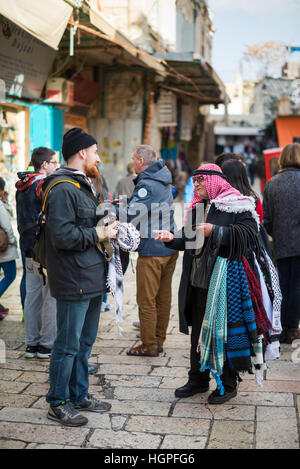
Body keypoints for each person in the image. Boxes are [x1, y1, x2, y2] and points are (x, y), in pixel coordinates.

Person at [154, 163, 262, 405]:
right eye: (196, 181)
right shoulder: (197, 208)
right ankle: (198, 379)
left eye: (201, 181)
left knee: (222, 335)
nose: (197, 185)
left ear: (214, 181)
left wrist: (215, 231)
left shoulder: (237, 204)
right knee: (198, 335)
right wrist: (172, 239)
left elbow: (248, 234)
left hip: (223, 282)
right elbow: (188, 238)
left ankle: (228, 383)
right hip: (197, 281)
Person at [44, 127, 117, 427]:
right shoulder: (62, 188)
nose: (99, 157)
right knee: (67, 344)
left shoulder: (85, 184)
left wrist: (110, 218)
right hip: (73, 278)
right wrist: (99, 232)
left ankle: (79, 394)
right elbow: (62, 235)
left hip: (91, 277)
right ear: (82, 153)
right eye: (96, 151)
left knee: (85, 343)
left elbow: (89, 218)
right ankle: (58, 402)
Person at [121, 145, 178, 357]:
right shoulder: (163, 179)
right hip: (169, 247)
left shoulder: (146, 183)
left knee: (147, 300)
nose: (132, 162)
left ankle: (148, 344)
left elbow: (132, 214)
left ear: (141, 161)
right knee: (163, 299)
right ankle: (158, 339)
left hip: (152, 249)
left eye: (133, 159)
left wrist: (111, 208)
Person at [16, 147, 58, 359]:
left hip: (28, 248)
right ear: (45, 165)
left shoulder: (22, 185)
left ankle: (31, 344)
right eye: (54, 162)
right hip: (44, 249)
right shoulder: (44, 185)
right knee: (50, 296)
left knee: (32, 297)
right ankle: (47, 345)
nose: (57, 166)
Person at [263, 143, 300, 344]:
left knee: (281, 286)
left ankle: (279, 325)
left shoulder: (272, 183)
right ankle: (292, 327)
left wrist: (275, 234)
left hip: (280, 244)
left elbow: (266, 220)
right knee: (297, 286)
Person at [0, 178, 18, 319]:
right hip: (3, 247)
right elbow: (7, 225)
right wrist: (13, 242)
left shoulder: (2, 204)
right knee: (10, 274)